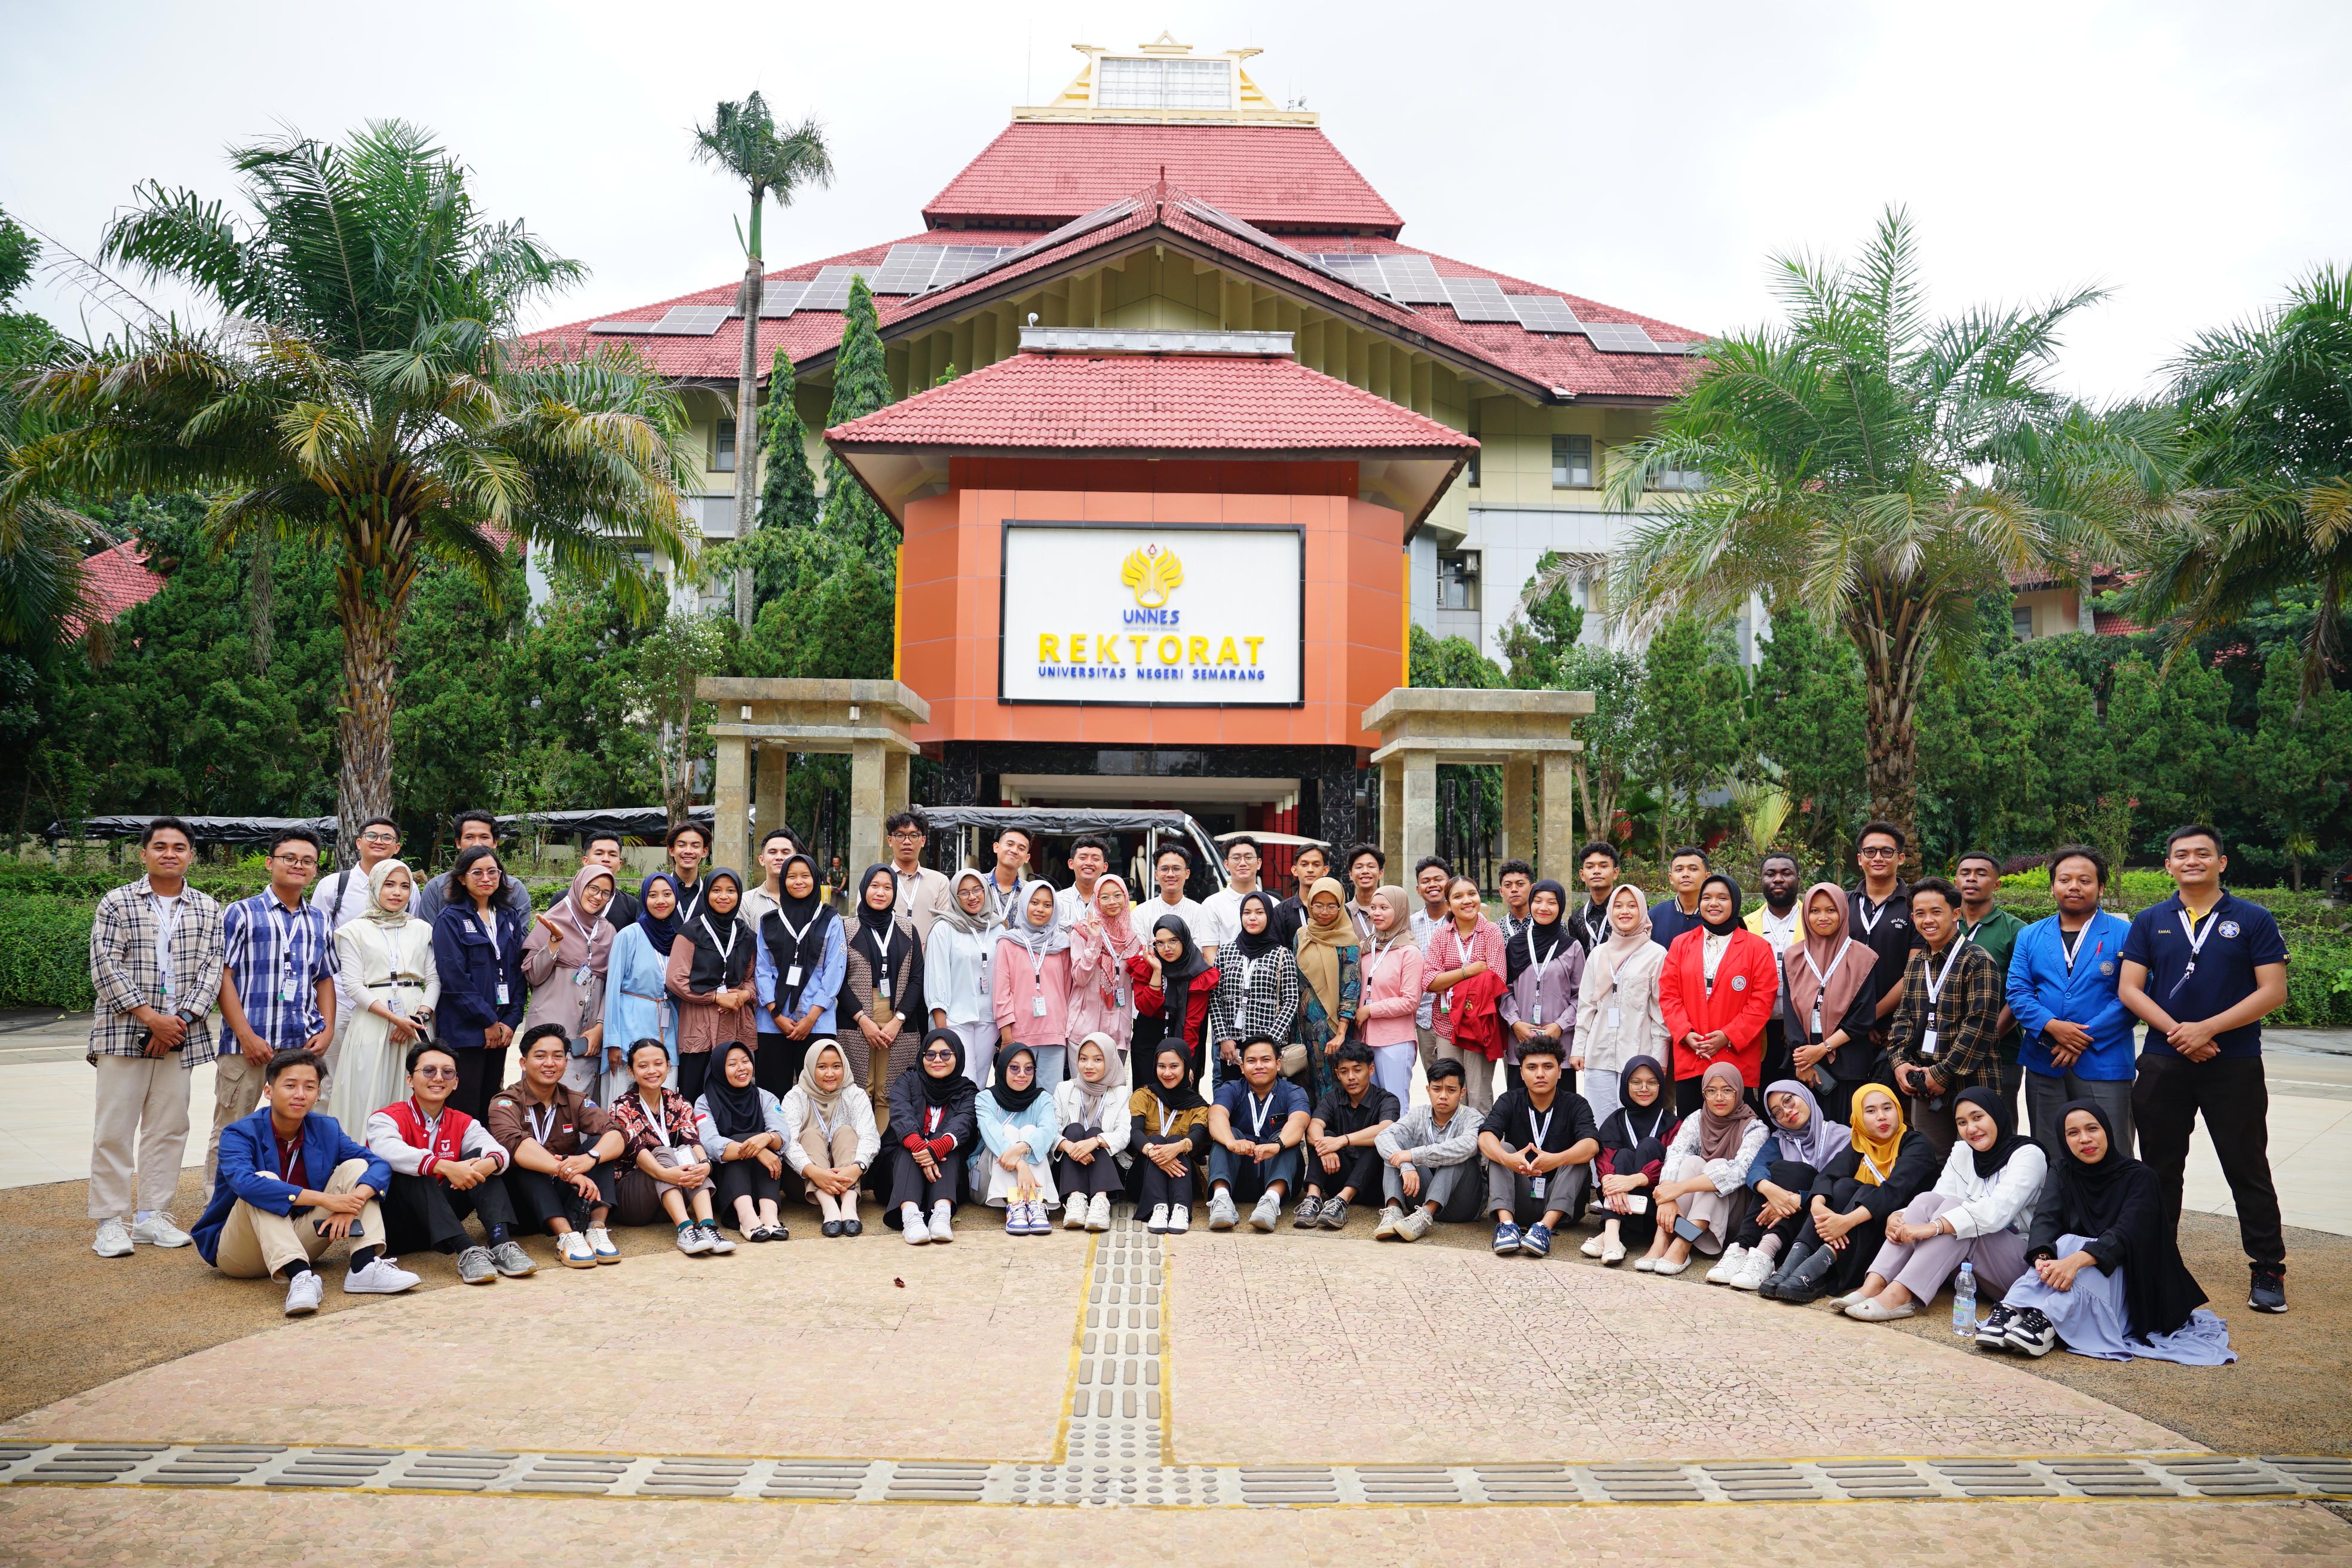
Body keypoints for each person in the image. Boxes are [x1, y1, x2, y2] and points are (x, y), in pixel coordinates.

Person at [2118, 824, 2290, 1313]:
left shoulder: (2253, 918)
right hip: (2162, 1060)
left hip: (2232, 1062)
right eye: (2181, 855)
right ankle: (2156, 1259)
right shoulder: (2152, 920)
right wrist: (2181, 1033)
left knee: (2247, 1166)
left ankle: (2267, 1268)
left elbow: (2272, 991)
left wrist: (2207, 1030)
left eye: (2202, 853)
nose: (2191, 861)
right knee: (2159, 1168)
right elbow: (2130, 989)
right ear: (2168, 865)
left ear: (2222, 862)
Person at [1986, 1101, 2234, 1363]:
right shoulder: (2062, 1171)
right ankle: (2012, 1307)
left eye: (2092, 1128)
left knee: (2075, 1245)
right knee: (2059, 1246)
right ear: (2063, 1138)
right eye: (2073, 1133)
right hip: (2072, 1276)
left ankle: (2048, 1320)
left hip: (2130, 1285)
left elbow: (2126, 1233)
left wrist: (2075, 1261)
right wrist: (2043, 1259)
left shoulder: (2141, 1177)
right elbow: (2045, 1219)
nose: (2085, 1139)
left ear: (2106, 1130)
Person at [86, 817, 225, 1257]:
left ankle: (152, 1216)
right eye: (160, 846)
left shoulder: (208, 908)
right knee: (114, 1128)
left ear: (191, 855)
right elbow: (106, 965)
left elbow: (211, 970)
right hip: (124, 1031)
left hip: (180, 1034)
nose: (170, 853)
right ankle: (111, 1220)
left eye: (179, 847)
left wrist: (178, 1021)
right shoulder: (118, 902)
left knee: (169, 1127)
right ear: (143, 853)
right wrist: (151, 1018)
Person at [193, 1049, 418, 1313]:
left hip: (301, 1239)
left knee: (357, 1166)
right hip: (241, 1253)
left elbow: (378, 1164)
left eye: (309, 1087)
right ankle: (301, 1277)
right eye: (290, 1085)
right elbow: (245, 1184)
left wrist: (352, 1205)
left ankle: (364, 1266)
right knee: (263, 1182)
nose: (300, 1094)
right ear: (268, 1091)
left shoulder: (326, 1128)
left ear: (318, 1094)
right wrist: (328, 1200)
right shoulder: (239, 1134)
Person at [1843, 1086, 2048, 1321]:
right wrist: (1898, 1216)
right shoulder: (1963, 1151)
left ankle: (1899, 1296)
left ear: (1997, 1115)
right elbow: (1939, 1196)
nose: (1971, 1129)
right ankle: (1873, 1285)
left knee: (1954, 1212)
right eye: (1962, 1123)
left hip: (2014, 1268)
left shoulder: (2028, 1154)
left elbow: (1997, 1212)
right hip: (1964, 1270)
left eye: (1978, 1117)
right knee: (1926, 1200)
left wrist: (1936, 1226)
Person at [212, 829, 338, 1186]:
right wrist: (245, 1034)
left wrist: (326, 1028)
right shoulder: (241, 913)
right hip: (247, 1045)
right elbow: (224, 977)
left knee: (292, 1127)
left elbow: (325, 978)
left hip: (299, 1044)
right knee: (231, 1128)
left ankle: (284, 1196)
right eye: (290, 858)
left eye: (308, 861)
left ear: (315, 869)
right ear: (270, 863)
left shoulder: (319, 919)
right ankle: (220, 1208)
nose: (299, 865)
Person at [365, 1040, 535, 1283]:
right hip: (396, 1227)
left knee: (479, 1159)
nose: (438, 1078)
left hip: (442, 1219)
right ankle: (466, 1249)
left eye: (447, 1072)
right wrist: (443, 1166)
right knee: (414, 1170)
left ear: (455, 1083)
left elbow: (498, 1151)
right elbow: (388, 1150)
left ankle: (501, 1242)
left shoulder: (463, 1121)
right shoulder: (385, 1118)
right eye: (429, 1071)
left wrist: (490, 1163)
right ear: (410, 1080)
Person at [2008, 845, 2136, 1154]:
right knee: (2050, 1150)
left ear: (2101, 887)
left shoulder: (2127, 933)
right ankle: (2056, 1205)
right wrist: (2053, 1027)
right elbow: (2018, 992)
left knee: (2111, 1148)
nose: (2074, 887)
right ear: (2053, 886)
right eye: (2065, 880)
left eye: (2085, 880)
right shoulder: (2031, 935)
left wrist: (2079, 1036)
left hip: (2104, 1060)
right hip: (2045, 1058)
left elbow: (2134, 995)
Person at [1760, 1084, 1936, 1304]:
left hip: (1893, 1236)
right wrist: (1817, 1206)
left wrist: (1845, 1222)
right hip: (1852, 1236)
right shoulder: (1860, 1144)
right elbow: (1827, 1176)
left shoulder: (1916, 1144)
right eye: (1871, 1111)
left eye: (1887, 1108)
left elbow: (1893, 1192)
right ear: (1859, 1117)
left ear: (1898, 1110)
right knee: (1843, 1186)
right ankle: (1793, 1266)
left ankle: (1811, 1271)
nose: (1881, 1117)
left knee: (1865, 1190)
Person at [486, 1025, 627, 1267]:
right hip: (523, 1208)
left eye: (558, 1056)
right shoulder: (505, 1102)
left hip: (565, 1197)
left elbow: (617, 1133)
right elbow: (514, 1144)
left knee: (598, 1146)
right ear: (523, 1062)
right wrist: (568, 1171)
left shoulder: (575, 1099)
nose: (549, 1063)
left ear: (565, 1062)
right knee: (527, 1158)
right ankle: (566, 1236)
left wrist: (590, 1158)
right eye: (540, 1056)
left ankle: (596, 1228)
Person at [1886, 877, 2008, 1155]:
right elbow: (1903, 1018)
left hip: (1972, 1080)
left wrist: (1942, 1074)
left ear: (1955, 914)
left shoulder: (1978, 960)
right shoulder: (1917, 963)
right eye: (1920, 913)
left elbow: (1979, 1027)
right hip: (1924, 1083)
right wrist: (1899, 1063)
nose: (1927, 920)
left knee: (1982, 1157)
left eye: (1936, 912)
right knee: (1933, 1161)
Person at [330, 859, 441, 1128]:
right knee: (367, 1088)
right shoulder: (352, 931)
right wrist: (394, 1018)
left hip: (418, 1021)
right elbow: (353, 986)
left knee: (415, 1088)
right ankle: (363, 1159)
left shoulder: (422, 929)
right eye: (389, 885)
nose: (397, 892)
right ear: (375, 887)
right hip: (373, 1020)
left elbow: (435, 980)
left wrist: (416, 1017)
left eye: (405, 886)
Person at [1658, 873, 1779, 1114]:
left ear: (1735, 902)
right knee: (1692, 1128)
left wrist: (1728, 1035)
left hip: (1735, 1055)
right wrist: (1685, 1034)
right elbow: (1669, 994)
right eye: (1707, 898)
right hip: (1693, 1053)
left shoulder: (1757, 948)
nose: (1714, 904)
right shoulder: (1681, 944)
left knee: (1736, 1132)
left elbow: (1762, 1001)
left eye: (1722, 898)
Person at [1636, 1059, 1765, 1276]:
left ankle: (1682, 1245)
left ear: (1739, 1091)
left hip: (1730, 1215)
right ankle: (1662, 1239)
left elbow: (1738, 1172)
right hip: (1691, 1212)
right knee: (1691, 1162)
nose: (1719, 1098)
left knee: (1717, 1166)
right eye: (1711, 1091)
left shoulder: (1754, 1127)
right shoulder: (1697, 1118)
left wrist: (1680, 1188)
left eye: (1727, 1090)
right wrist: (1668, 1193)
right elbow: (1676, 1153)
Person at [1716, 1077, 1847, 1290]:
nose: (1786, 1112)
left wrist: (1799, 1199)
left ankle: (1764, 1254)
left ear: (1805, 1095)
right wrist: (1770, 1190)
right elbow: (1756, 1169)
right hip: (1783, 1227)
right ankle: (1743, 1248)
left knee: (1796, 1170)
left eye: (1789, 1100)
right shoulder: (1780, 1138)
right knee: (1775, 1172)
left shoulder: (1844, 1138)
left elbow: (1845, 1185)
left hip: (1814, 1226)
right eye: (1777, 1112)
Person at [429, 843, 527, 1123]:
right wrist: (487, 1021)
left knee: (492, 1100)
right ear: (462, 878)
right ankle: (460, 1162)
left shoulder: (508, 917)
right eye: (478, 873)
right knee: (464, 1102)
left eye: (493, 872)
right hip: (466, 1030)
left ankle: (489, 1160)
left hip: (501, 1029)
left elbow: (518, 972)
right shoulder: (451, 919)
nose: (487, 878)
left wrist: (510, 1020)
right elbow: (453, 978)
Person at [606, 1037, 731, 1254]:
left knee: (686, 1151)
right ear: (631, 1071)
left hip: (670, 1198)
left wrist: (705, 1164)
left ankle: (709, 1227)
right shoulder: (621, 1107)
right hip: (633, 1200)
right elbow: (636, 1151)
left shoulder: (678, 1101)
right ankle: (685, 1230)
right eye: (643, 1066)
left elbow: (693, 1138)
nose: (652, 1071)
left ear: (668, 1065)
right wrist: (665, 1174)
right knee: (663, 1151)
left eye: (658, 1063)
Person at [1477, 1036, 1600, 1257]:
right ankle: (1506, 1227)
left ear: (1560, 1072)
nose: (1540, 1074)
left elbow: (1591, 1146)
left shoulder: (1576, 1104)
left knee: (1578, 1157)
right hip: (1520, 1199)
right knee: (1501, 1148)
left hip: (1562, 1205)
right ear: (1522, 1073)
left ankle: (1544, 1229)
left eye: (1548, 1067)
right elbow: (1485, 1138)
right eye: (1532, 1068)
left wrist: (1558, 1159)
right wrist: (1509, 1160)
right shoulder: (1510, 1100)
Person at [313, 816, 403, 1085]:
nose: (379, 841)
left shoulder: (407, 889)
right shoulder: (334, 886)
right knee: (330, 1072)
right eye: (372, 836)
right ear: (359, 842)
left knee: (378, 1073)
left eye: (387, 838)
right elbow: (320, 942)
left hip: (386, 995)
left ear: (397, 848)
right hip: (340, 994)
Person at [519, 863, 616, 1097]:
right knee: (540, 1098)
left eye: (605, 893)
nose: (598, 897)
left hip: (586, 1038)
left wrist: (600, 1027)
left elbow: (611, 986)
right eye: (593, 889)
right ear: (579, 886)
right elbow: (534, 975)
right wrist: (554, 942)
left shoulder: (608, 931)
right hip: (549, 1031)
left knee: (576, 1108)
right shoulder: (553, 921)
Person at [1573, 884, 1668, 1122]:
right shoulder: (1598, 954)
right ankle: (1602, 1162)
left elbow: (1660, 1014)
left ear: (1642, 910)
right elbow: (1586, 1006)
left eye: (1632, 905)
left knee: (1637, 1121)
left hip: (1639, 1053)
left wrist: (1659, 1059)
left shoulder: (1657, 955)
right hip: (1599, 1053)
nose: (1624, 911)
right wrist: (1579, 1048)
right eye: (1618, 906)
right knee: (1600, 1122)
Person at [1781, 884, 1878, 1113]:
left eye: (1830, 910)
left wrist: (1822, 1049)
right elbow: (1791, 1014)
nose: (1822, 917)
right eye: (1815, 911)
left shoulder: (1863, 958)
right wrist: (1804, 1059)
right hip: (1804, 1067)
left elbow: (1862, 1019)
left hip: (1848, 1066)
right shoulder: (1793, 957)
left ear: (1843, 913)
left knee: (1844, 1136)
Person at [756, 853, 847, 1094]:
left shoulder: (831, 919)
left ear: (816, 879)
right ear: (783, 880)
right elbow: (762, 970)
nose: (799, 881)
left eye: (805, 876)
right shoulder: (769, 922)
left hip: (818, 1023)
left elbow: (834, 972)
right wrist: (776, 1015)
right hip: (773, 1023)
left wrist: (810, 1018)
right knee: (772, 1092)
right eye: (792, 876)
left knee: (818, 1093)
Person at [666, 866, 757, 1104]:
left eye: (730, 890)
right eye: (716, 890)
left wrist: (743, 996)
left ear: (739, 895)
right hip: (700, 1019)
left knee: (734, 1084)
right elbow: (676, 979)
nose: (723, 896)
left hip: (736, 1019)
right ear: (707, 894)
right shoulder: (690, 932)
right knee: (694, 1087)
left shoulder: (747, 935)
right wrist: (716, 997)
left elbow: (753, 978)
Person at [1371, 1057, 1484, 1240]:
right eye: (1437, 1089)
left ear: (1462, 1093)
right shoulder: (1418, 1114)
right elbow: (1383, 1137)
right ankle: (1393, 1211)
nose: (1443, 1096)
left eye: (1451, 1090)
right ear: (1428, 1090)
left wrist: (1414, 1155)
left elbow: (1468, 1146)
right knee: (1397, 1141)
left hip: (1462, 1205)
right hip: (1418, 1198)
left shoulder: (1473, 1118)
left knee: (1456, 1154)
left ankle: (1426, 1215)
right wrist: (1406, 1165)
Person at [1206, 1036, 1309, 1232]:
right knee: (1226, 1135)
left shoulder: (1293, 1092)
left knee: (1285, 1140)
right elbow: (1216, 1115)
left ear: (1278, 1064)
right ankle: (1221, 1200)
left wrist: (1277, 1144)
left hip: (1281, 1178)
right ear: (1242, 1066)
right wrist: (1231, 1142)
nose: (1259, 1066)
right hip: (1238, 1176)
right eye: (1252, 1061)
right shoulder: (1232, 1088)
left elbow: (1299, 1122)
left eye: (1266, 1060)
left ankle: (1270, 1202)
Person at [1953, 849, 2028, 1121]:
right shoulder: (1942, 923)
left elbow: (2024, 991)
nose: (1972, 879)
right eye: (1965, 873)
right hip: (1944, 1049)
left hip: (1999, 1050)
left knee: (1998, 1123)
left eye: (1981, 874)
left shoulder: (2017, 930)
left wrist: (1988, 1036)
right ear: (1955, 882)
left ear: (1997, 884)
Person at [886, 1030, 979, 1244]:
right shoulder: (907, 1081)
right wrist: (922, 1148)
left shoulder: (968, 1091)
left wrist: (937, 1148)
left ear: (958, 1056)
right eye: (931, 1055)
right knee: (908, 1147)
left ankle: (942, 1215)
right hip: (900, 1171)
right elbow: (901, 1115)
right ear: (922, 1057)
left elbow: (964, 1122)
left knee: (949, 1150)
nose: (938, 1060)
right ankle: (910, 1215)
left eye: (946, 1054)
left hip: (948, 1173)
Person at [696, 1038, 792, 1241]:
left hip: (763, 1176)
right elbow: (710, 1143)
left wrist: (766, 1138)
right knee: (738, 1145)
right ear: (719, 1069)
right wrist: (759, 1149)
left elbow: (782, 1136)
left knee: (766, 1144)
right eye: (732, 1064)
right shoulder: (704, 1102)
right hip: (727, 1184)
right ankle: (747, 1217)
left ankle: (769, 1216)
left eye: (745, 1061)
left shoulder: (765, 1097)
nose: (741, 1068)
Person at [843, 862, 924, 1104]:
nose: (881, 893)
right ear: (864, 888)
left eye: (888, 887)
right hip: (857, 1017)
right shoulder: (847, 929)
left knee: (890, 1091)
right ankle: (860, 1141)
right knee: (859, 1089)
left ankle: (886, 1142)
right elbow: (839, 982)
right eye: (874, 886)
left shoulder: (908, 930)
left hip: (898, 1017)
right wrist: (862, 1020)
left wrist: (899, 1020)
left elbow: (917, 978)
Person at [780, 1038, 879, 1236]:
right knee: (809, 1135)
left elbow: (870, 1136)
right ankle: (829, 1208)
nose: (830, 1074)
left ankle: (849, 1207)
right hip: (804, 1182)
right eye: (822, 1067)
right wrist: (815, 1173)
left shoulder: (855, 1094)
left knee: (846, 1132)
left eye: (836, 1066)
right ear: (809, 1068)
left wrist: (857, 1167)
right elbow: (787, 1142)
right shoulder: (796, 1097)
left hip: (850, 1177)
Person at [1426, 874, 1508, 1112]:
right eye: (1458, 896)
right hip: (1446, 1024)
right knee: (1449, 1090)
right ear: (1449, 905)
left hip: (1479, 1024)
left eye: (1472, 894)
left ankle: (1483, 1146)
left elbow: (1496, 980)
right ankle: (1452, 1146)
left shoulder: (1491, 932)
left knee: (1478, 1092)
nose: (1467, 900)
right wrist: (1470, 971)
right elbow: (1429, 981)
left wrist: (1448, 980)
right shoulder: (1442, 935)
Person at [1584, 1056, 1676, 1264]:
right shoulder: (1616, 1119)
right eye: (1636, 1082)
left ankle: (1612, 1235)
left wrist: (1638, 1179)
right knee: (1623, 1155)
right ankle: (1614, 1233)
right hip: (1617, 1195)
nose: (1644, 1088)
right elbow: (1604, 1156)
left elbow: (1674, 1165)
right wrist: (1608, 1177)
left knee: (1649, 1145)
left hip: (1655, 1205)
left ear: (1661, 1086)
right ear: (1626, 1084)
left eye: (1652, 1082)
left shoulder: (1672, 1124)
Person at [1296, 1040, 1396, 1230]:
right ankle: (1313, 1199)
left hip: (1372, 1185)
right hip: (1337, 1178)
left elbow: (1386, 1128)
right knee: (1323, 1134)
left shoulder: (1387, 1099)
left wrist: (1341, 1141)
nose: (1351, 1077)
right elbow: (1314, 1125)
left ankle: (1342, 1202)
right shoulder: (1334, 1097)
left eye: (1357, 1070)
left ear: (1372, 1069)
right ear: (1337, 1074)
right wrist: (1325, 1148)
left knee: (1379, 1141)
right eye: (1344, 1072)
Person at [1211, 890, 1303, 1093]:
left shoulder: (1282, 954)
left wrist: (1269, 1041)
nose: (1253, 918)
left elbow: (1291, 1000)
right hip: (1232, 1048)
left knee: (1268, 1098)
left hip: (1267, 1047)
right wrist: (1224, 1038)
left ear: (1269, 916)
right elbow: (1215, 997)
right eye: (1247, 912)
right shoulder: (1225, 952)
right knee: (1232, 1097)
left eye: (1260, 912)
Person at [1499, 878, 1584, 1098]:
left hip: (1559, 1041)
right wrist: (1514, 1022)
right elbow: (1504, 989)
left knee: (1562, 1108)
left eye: (1552, 903)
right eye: (1538, 901)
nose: (1544, 908)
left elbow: (1581, 996)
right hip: (1521, 1041)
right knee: (1519, 1106)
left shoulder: (1572, 947)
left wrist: (1560, 1026)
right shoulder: (1515, 945)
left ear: (1561, 906)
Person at [1848, 820, 1921, 1072]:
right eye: (1870, 852)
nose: (1878, 857)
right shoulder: (1842, 904)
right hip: (1844, 1024)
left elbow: (1914, 972)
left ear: (1900, 858)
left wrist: (1871, 1017)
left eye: (1886, 852)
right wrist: (1856, 1021)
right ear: (1860, 859)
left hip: (1897, 1028)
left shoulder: (1915, 906)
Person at [603, 874, 682, 1102]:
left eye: (667, 895)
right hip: (630, 1024)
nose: (661, 901)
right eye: (653, 895)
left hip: (666, 1026)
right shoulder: (629, 935)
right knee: (625, 1096)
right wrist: (613, 1041)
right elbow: (613, 990)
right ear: (643, 899)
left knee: (665, 1094)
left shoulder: (677, 939)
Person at [994, 880, 1074, 1088]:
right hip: (1019, 1033)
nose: (1040, 909)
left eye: (1048, 905)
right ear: (1024, 905)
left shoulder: (1062, 945)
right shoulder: (1008, 943)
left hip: (1054, 1033)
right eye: (1035, 902)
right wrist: (1007, 1036)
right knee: (1018, 1092)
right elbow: (1001, 993)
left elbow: (1067, 991)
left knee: (1050, 1096)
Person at [973, 1043, 1061, 1234]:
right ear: (1002, 1067)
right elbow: (992, 1135)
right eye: (1014, 1068)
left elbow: (1049, 1131)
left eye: (1029, 1068)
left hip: (1029, 1171)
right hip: (987, 1177)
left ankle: (1032, 1205)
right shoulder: (985, 1098)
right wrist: (1021, 1165)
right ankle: (1017, 1204)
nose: (1022, 1074)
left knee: (1030, 1131)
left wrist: (1022, 1148)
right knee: (1009, 1132)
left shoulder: (1042, 1098)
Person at [927, 868, 1001, 1086]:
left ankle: (974, 1122)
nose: (973, 897)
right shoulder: (944, 928)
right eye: (965, 892)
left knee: (980, 1081)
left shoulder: (997, 928)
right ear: (955, 897)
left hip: (989, 1018)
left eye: (977, 890)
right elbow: (936, 977)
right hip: (955, 1019)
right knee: (962, 1080)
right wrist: (941, 1027)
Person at [1292, 876, 1362, 1103]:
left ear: (1341, 907)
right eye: (1318, 905)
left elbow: (1351, 988)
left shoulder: (1348, 940)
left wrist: (1342, 1033)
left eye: (1332, 906)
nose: (1324, 912)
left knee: (1332, 1082)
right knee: (1304, 1080)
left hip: (1332, 1028)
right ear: (1310, 905)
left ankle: (1331, 1133)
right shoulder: (1302, 935)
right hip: (1303, 1026)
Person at [1051, 1033, 1130, 1232]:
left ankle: (1100, 1202)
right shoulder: (1065, 1089)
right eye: (1083, 1059)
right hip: (1068, 1163)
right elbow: (1050, 1129)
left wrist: (1095, 1141)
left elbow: (1124, 1133)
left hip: (1106, 1165)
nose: (1089, 1066)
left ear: (1111, 1061)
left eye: (1098, 1059)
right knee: (1075, 1129)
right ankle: (1075, 1200)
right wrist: (1069, 1146)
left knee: (1095, 1131)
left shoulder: (1120, 1093)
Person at [1131, 1042, 1212, 1234]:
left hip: (1182, 1177)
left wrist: (1177, 1148)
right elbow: (1135, 1132)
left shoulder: (1198, 1105)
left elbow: (1198, 1134)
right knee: (1158, 1140)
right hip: (1143, 1177)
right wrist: (1157, 1154)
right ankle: (1158, 1208)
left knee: (1176, 1139)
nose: (1167, 1073)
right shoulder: (1144, 1096)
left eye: (1174, 1066)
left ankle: (1180, 1209)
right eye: (1162, 1067)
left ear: (1186, 1067)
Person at [1356, 886, 1427, 1108]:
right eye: (1374, 908)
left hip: (1395, 1040)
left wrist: (1370, 1010)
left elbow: (1410, 1001)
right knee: (1371, 1106)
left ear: (1399, 911)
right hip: (1365, 1038)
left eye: (1385, 908)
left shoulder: (1410, 952)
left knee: (1395, 1105)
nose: (1377, 913)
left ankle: (1398, 1145)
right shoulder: (1367, 947)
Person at [1068, 875, 1144, 1065]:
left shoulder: (1132, 938)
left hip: (1118, 1029)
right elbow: (1079, 977)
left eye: (1118, 895)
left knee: (1114, 1091)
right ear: (1096, 899)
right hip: (1086, 1027)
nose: (1112, 902)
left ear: (1126, 898)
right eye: (1105, 897)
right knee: (1084, 1091)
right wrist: (1094, 941)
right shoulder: (1083, 932)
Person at [1744, 852, 1804, 1087]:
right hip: (1760, 1028)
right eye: (1771, 874)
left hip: (1803, 1027)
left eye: (1786, 873)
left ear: (1799, 880)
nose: (1778, 879)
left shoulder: (1814, 922)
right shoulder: (1746, 925)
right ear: (1761, 880)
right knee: (1766, 1092)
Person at [1132, 914, 1218, 1074]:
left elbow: (1192, 1023)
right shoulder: (1147, 966)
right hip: (1147, 1042)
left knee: (1179, 1093)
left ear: (1184, 939)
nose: (1167, 948)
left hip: (1185, 1042)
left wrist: (1184, 1060)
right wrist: (1157, 972)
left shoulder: (1199, 973)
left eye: (1173, 941)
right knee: (1146, 1096)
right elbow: (1146, 1008)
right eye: (1160, 943)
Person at [415, 811, 533, 924]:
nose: (477, 844)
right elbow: (429, 936)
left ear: (495, 842)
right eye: (470, 837)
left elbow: (521, 937)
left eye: (484, 837)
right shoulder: (436, 888)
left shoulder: (514, 889)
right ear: (458, 843)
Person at [1408, 856, 1451, 1080]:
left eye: (1438, 879)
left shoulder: (1461, 920)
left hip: (1457, 1015)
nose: (1432, 885)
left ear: (1449, 883)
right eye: (1426, 881)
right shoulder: (1409, 924)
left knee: (1457, 1079)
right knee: (1435, 1080)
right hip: (1424, 1017)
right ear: (1418, 889)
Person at [885, 808, 953, 941]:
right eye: (900, 835)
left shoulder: (939, 882)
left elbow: (946, 927)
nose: (907, 842)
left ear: (923, 841)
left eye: (914, 835)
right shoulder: (877, 881)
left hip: (928, 958)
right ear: (890, 840)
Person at [1142, 844, 1215, 964]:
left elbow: (1201, 955)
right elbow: (1142, 955)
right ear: (1156, 874)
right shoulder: (1141, 913)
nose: (1170, 874)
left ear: (1187, 874)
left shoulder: (1201, 912)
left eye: (1176, 869)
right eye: (1165, 869)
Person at [1199, 836, 1266, 957]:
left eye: (1249, 857)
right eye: (1236, 858)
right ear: (1226, 865)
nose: (1243, 863)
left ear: (1259, 863)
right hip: (1225, 975)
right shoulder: (1212, 905)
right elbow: (1210, 955)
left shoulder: (1274, 904)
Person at [1269, 841, 1332, 948]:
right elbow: (1275, 951)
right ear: (1295, 870)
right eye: (1304, 865)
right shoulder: (1281, 912)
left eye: (1316, 865)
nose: (1310, 870)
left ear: (1325, 870)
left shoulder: (1337, 909)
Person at [1649, 846, 1710, 949]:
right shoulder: (1654, 916)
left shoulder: (1715, 916)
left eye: (1693, 869)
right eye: (1679, 870)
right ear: (1671, 878)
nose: (1685, 874)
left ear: (1707, 877)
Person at [1566, 840, 1621, 952]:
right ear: (1582, 875)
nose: (1596, 871)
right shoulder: (1576, 918)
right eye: (1590, 867)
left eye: (1604, 866)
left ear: (1615, 873)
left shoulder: (1631, 911)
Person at [1054, 834, 1114, 927]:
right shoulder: (1056, 901)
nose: (1089, 863)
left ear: (1105, 867)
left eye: (1096, 859)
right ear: (1071, 864)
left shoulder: (1113, 903)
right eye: (1083, 858)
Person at [981, 824, 1033, 926]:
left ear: (1027, 858)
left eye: (1021, 849)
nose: (1014, 851)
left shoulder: (1030, 893)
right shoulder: (978, 885)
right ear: (996, 847)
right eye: (1010, 844)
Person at [663, 821, 713, 924]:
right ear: (671, 850)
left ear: (704, 852)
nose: (688, 851)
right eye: (682, 845)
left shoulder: (710, 895)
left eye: (695, 846)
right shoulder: (656, 893)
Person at [587, 833, 640, 928]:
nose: (606, 859)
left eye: (612, 855)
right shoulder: (564, 900)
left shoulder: (632, 906)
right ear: (585, 861)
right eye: (599, 854)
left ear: (620, 864)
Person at [1342, 843, 1386, 940]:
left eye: (1371, 867)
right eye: (1359, 867)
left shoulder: (1393, 911)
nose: (1365, 871)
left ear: (1380, 873)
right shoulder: (1343, 913)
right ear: (1350, 874)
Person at [1495, 859, 1536, 944]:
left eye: (1520, 884)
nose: (1514, 889)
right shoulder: (1496, 930)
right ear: (1501, 891)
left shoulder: (1549, 925)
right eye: (1508, 885)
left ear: (1532, 888)